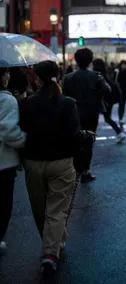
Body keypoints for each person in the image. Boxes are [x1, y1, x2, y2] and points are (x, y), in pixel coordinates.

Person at [20, 60, 95, 275]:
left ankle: (50, 249)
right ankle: (51, 251)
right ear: (58, 76)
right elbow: (74, 135)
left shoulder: (26, 104)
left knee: (39, 209)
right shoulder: (67, 103)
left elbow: (21, 133)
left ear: (36, 79)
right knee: (56, 210)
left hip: (33, 163)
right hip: (61, 162)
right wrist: (85, 137)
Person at [62, 48, 111, 182]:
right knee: (89, 140)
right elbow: (108, 90)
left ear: (76, 60)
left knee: (75, 140)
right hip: (91, 112)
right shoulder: (96, 76)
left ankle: (76, 168)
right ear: (90, 60)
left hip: (74, 112)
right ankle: (85, 170)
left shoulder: (68, 77)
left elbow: (63, 95)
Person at [0, 63, 27, 255]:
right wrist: (25, 140)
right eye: (7, 73)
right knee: (3, 208)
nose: (8, 76)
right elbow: (9, 132)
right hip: (3, 163)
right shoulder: (6, 100)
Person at [92, 59, 126, 143]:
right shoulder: (104, 75)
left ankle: (91, 137)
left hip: (101, 101)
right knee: (107, 118)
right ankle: (120, 133)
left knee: (95, 119)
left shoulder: (96, 75)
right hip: (108, 101)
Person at [115, 61, 126, 126]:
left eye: (125, 65)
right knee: (120, 104)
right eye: (123, 65)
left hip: (125, 91)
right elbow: (114, 80)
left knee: (122, 105)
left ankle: (120, 118)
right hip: (118, 91)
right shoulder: (118, 72)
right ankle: (120, 118)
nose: (124, 66)